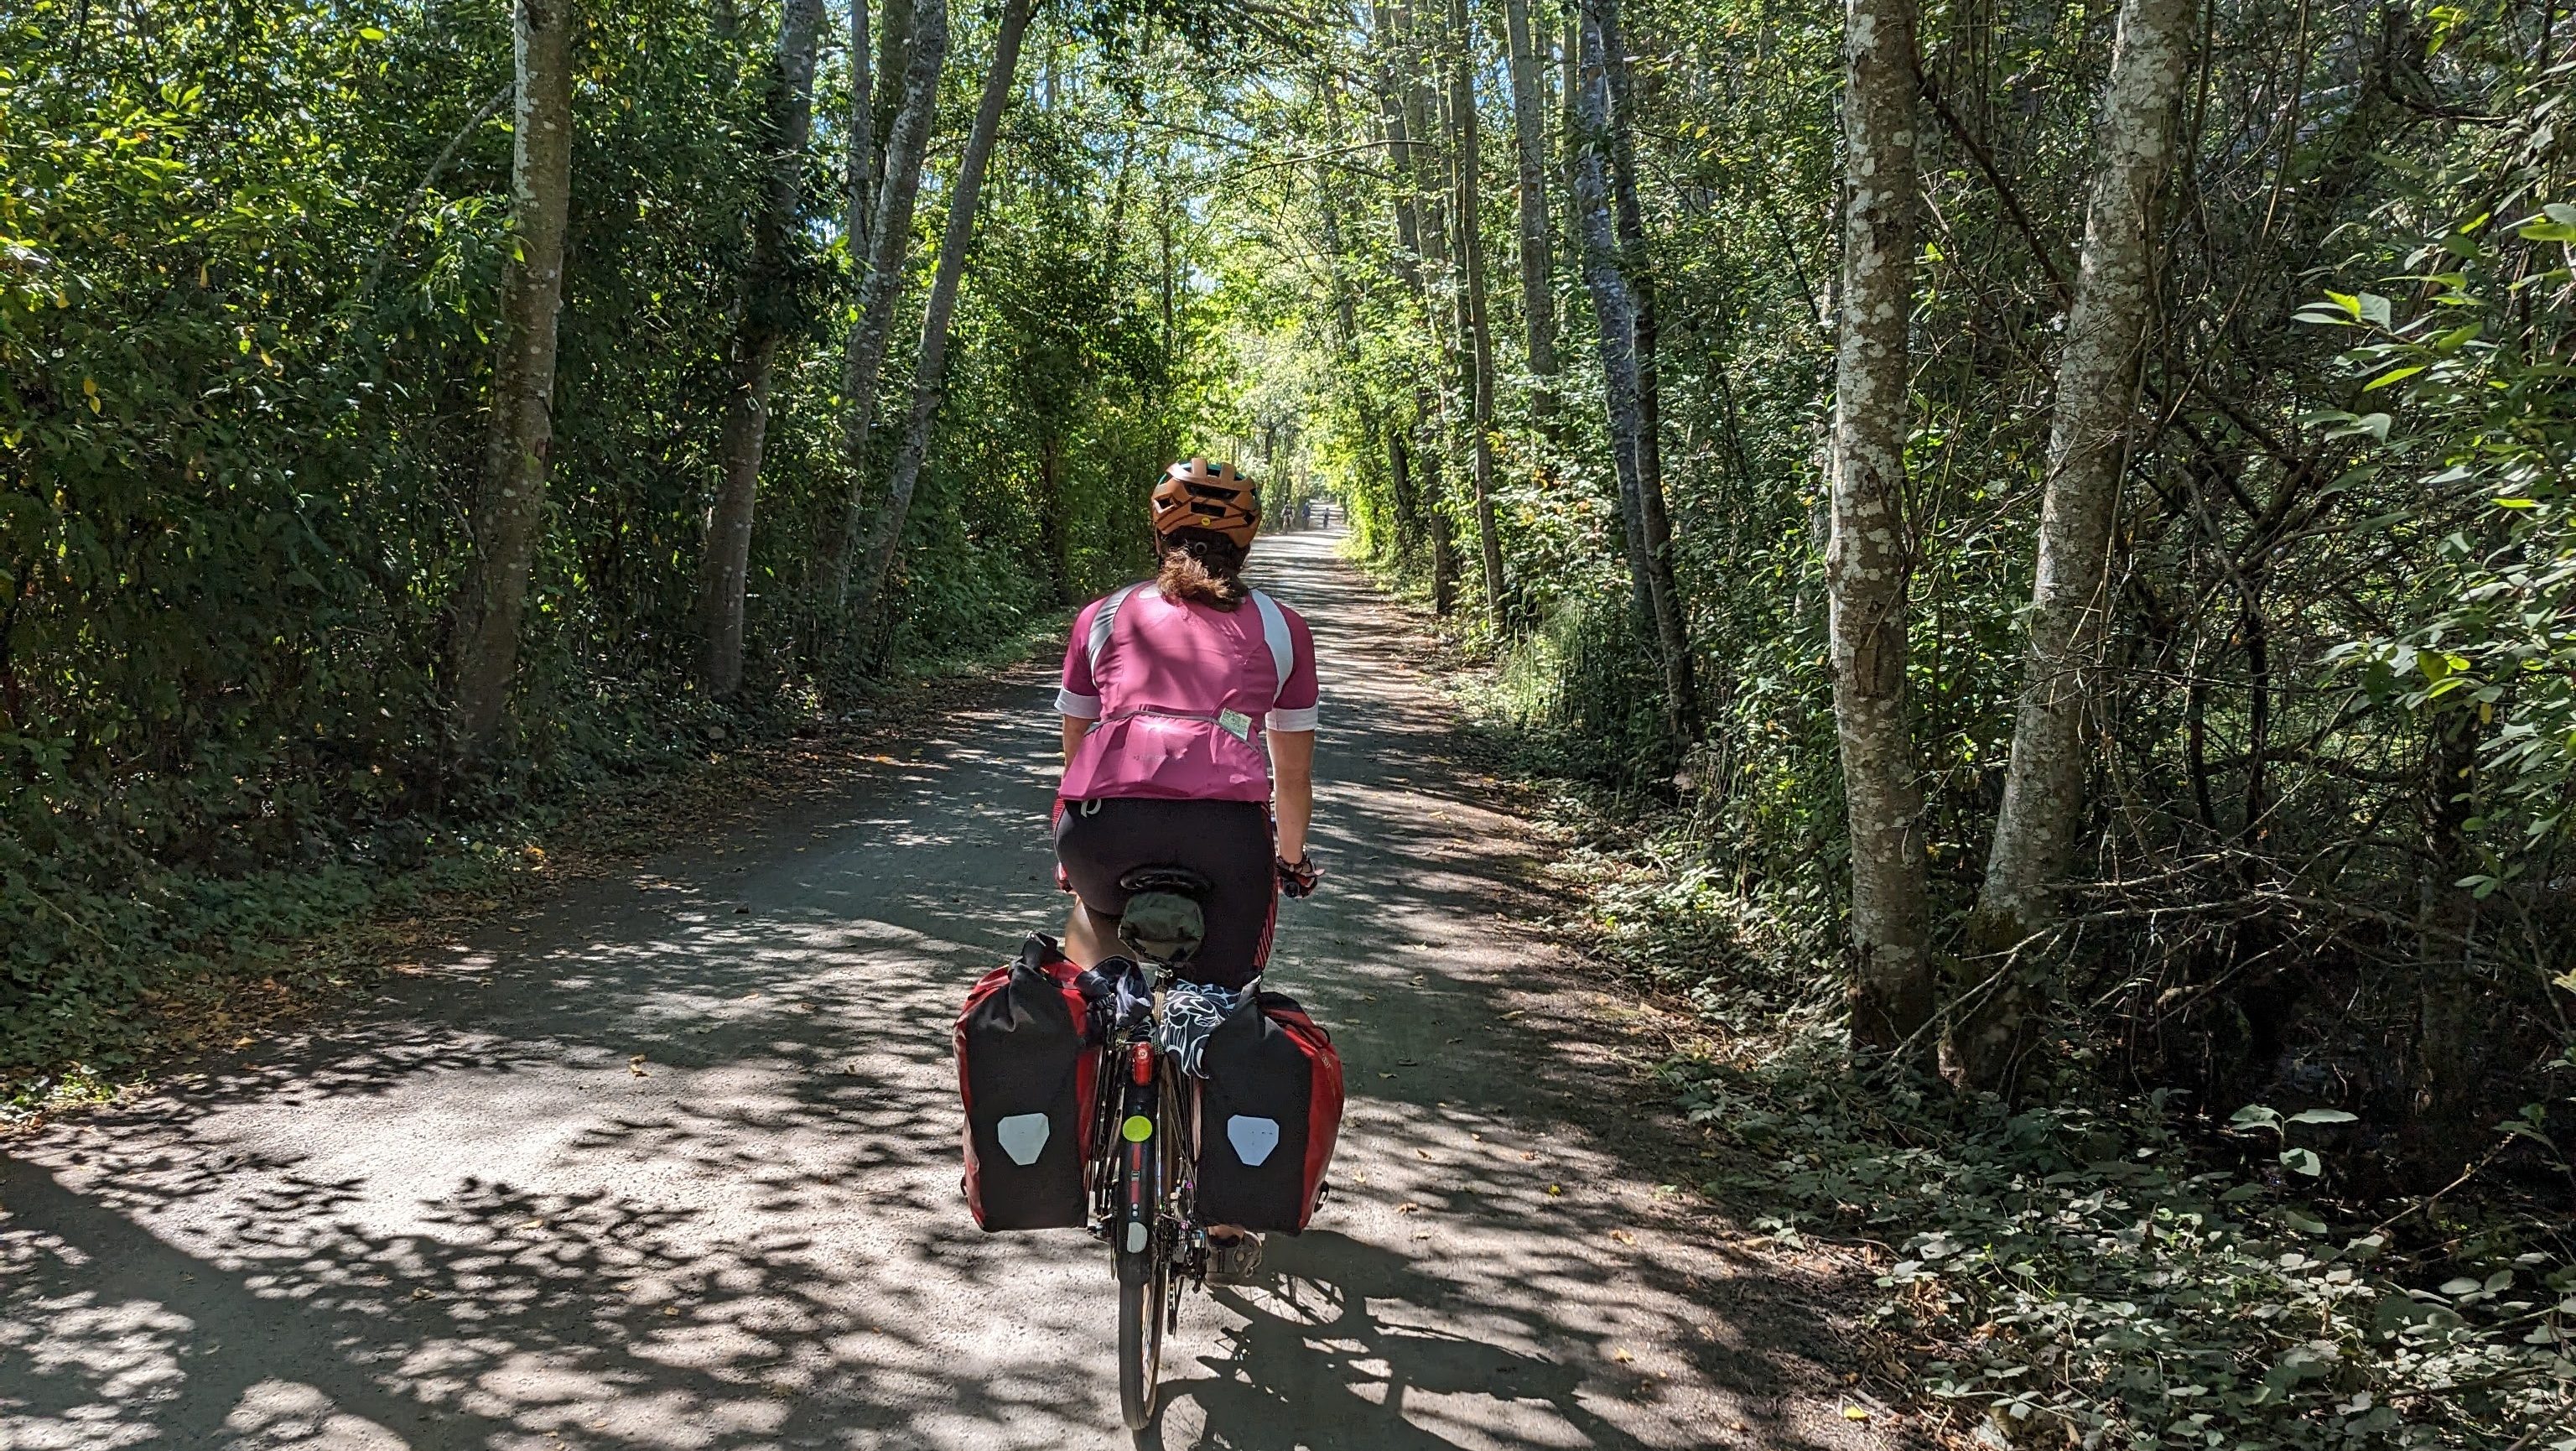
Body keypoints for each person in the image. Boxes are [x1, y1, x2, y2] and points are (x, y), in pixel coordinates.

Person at [1052, 458, 1321, 1280]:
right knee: (1224, 1004)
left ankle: (1067, 1141)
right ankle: (1232, 1217)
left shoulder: (1102, 617)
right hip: (1226, 835)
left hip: (1103, 824)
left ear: (1160, 529)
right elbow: (1294, 775)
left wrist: (1072, 845)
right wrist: (1291, 858)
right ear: (1248, 538)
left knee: (1082, 974)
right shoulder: (1281, 627)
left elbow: (1077, 746)